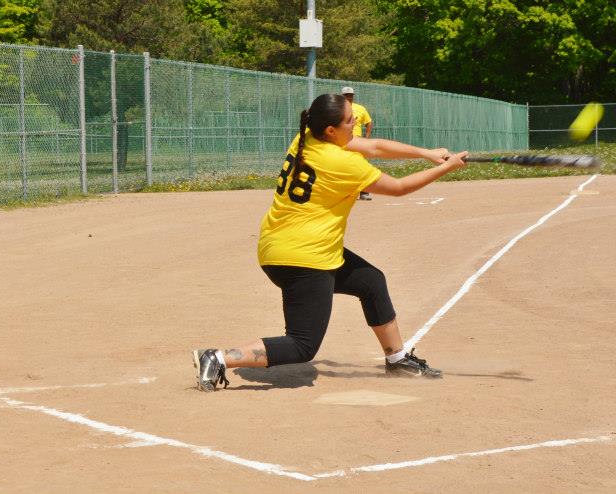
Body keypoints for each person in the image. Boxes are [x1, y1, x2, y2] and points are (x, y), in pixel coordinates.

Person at [192, 93, 467, 392]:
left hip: (284, 245)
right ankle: (219, 357)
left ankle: (397, 359)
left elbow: (374, 146)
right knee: (302, 345)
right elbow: (398, 188)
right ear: (332, 130)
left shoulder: (307, 139)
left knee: (371, 282)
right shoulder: (341, 162)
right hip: (303, 258)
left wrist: (425, 153)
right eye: (351, 121)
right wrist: (446, 168)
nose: (357, 125)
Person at [342, 86, 375, 200]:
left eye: (350, 95)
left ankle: (364, 192)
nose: (349, 97)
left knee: (361, 166)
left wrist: (367, 136)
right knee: (344, 167)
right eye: (346, 95)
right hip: (342, 141)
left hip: (358, 141)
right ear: (342, 96)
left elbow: (369, 122)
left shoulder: (360, 108)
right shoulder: (337, 109)